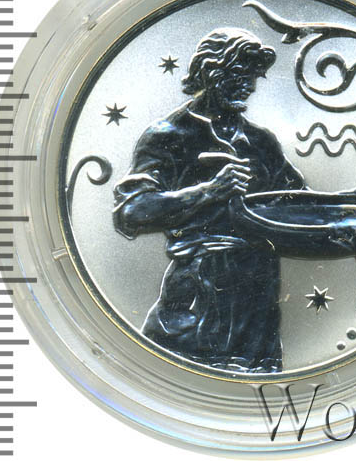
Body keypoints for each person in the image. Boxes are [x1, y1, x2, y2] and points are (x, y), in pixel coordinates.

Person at [113, 28, 305, 373]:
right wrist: (210, 190)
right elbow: (131, 213)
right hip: (195, 299)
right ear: (210, 72)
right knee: (170, 386)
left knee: (260, 396)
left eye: (253, 76)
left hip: (256, 303)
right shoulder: (168, 136)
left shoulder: (261, 141)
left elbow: (300, 208)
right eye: (240, 74)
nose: (250, 85)